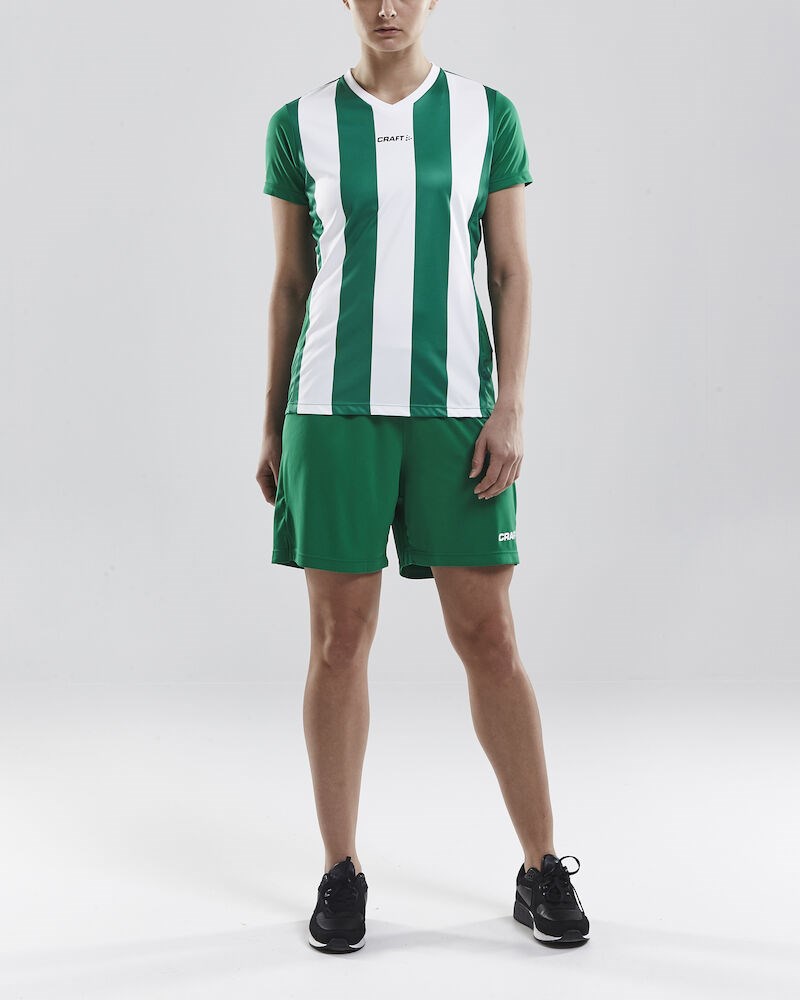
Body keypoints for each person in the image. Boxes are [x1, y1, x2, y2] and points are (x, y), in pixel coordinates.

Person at [256, 0, 590, 953]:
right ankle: (340, 869)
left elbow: (511, 271)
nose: (388, 7)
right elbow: (290, 282)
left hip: (456, 414)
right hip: (333, 410)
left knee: (490, 636)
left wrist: (510, 406)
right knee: (338, 643)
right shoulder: (299, 124)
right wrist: (273, 419)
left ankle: (540, 866)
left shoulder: (488, 114)